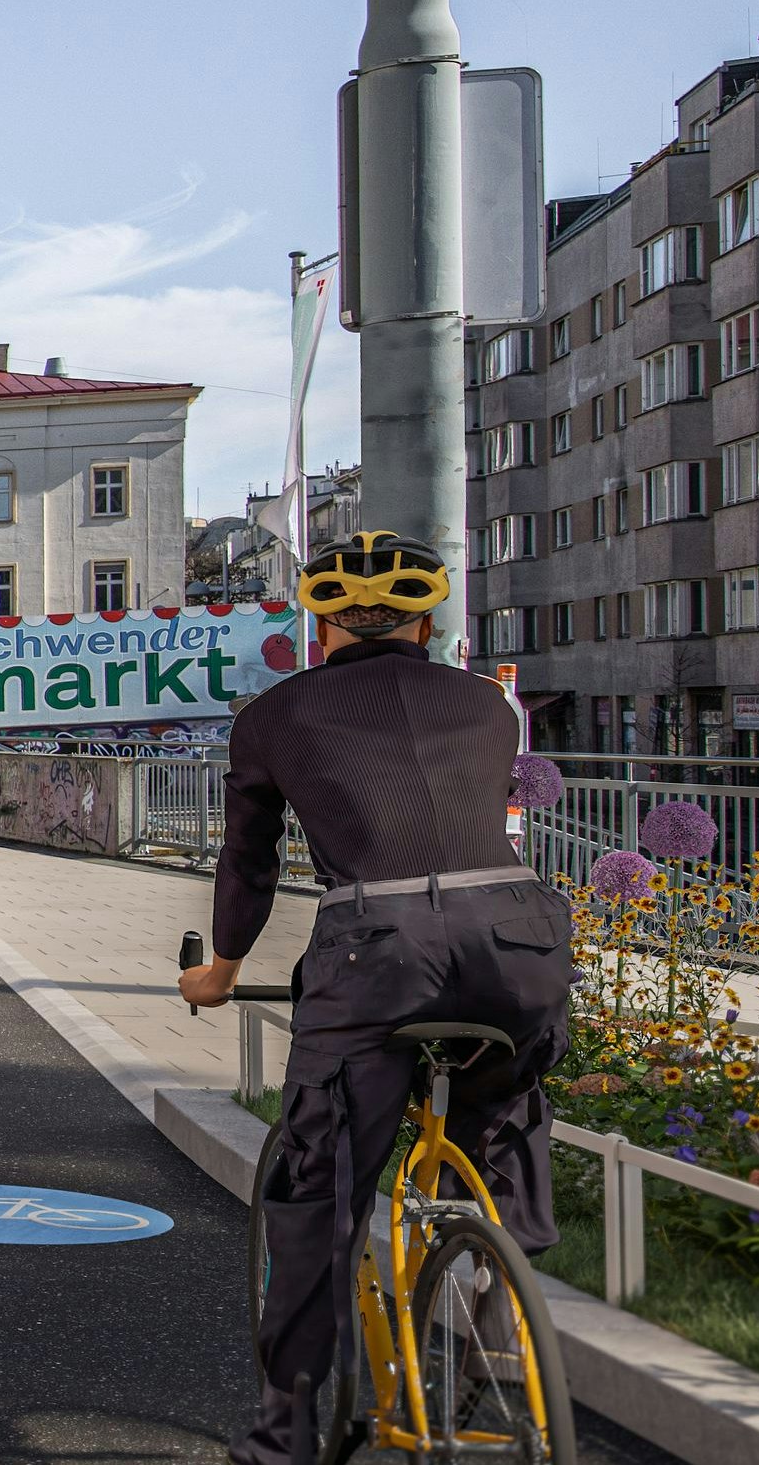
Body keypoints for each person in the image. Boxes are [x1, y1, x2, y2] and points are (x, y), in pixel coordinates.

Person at [174, 530, 562, 1465]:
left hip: (379, 952)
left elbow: (248, 862)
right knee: (504, 1118)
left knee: (319, 1188)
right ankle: (494, 1342)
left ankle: (288, 1433)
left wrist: (221, 971)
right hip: (522, 939)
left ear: (319, 622)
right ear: (427, 619)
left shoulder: (275, 715)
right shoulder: (488, 706)